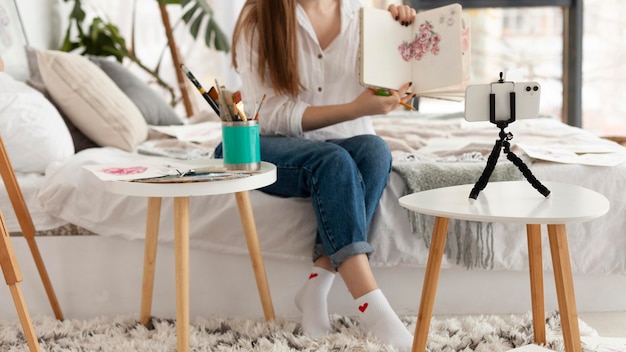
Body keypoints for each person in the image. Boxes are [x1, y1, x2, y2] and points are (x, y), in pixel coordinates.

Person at [220, 1, 416, 350]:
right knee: (334, 161)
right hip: (270, 144)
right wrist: (356, 108)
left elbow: (394, 81)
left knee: (375, 151)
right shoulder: (260, 17)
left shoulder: (367, 14)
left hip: (339, 144)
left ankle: (317, 284)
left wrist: (402, 30)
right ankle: (372, 307)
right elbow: (272, 114)